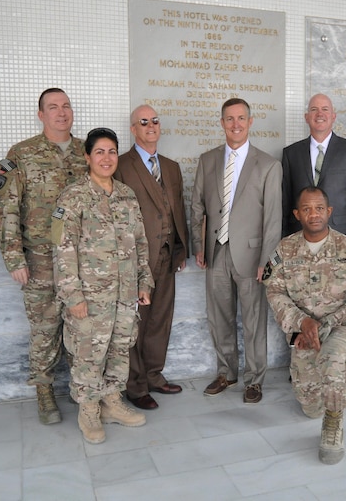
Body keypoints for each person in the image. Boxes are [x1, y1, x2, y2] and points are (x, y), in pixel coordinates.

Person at [52, 127, 154, 444]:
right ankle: (89, 410)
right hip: (89, 296)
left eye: (111, 152)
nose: (106, 158)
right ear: (87, 156)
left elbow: (140, 242)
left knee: (119, 348)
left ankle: (111, 402)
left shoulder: (126, 195)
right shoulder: (71, 198)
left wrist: (143, 281)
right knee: (88, 354)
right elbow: (61, 248)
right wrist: (73, 297)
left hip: (124, 294)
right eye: (99, 152)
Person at [0, 88, 88, 425]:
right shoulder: (21, 154)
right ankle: (45, 392)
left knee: (82, 329)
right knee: (45, 330)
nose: (61, 113)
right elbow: (7, 210)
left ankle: (85, 392)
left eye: (66, 106)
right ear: (41, 114)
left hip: (82, 263)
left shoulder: (86, 153)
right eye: (53, 107)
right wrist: (14, 258)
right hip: (40, 261)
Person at [264, 186, 346, 464]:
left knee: (334, 360)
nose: (313, 214)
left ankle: (333, 424)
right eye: (306, 209)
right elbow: (274, 291)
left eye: (318, 208)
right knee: (310, 406)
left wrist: (326, 323)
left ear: (328, 212)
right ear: (297, 214)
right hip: (302, 329)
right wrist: (301, 323)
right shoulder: (285, 249)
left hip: (344, 326)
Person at [190, 97, 283, 404]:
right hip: (216, 251)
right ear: (222, 123)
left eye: (241, 118)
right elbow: (197, 206)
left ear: (250, 121)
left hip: (252, 256)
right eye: (229, 119)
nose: (236, 124)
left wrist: (266, 262)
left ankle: (254, 380)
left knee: (254, 320)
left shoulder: (268, 165)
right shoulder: (208, 160)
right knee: (219, 317)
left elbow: (272, 220)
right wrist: (198, 246)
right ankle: (226, 372)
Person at [114, 105, 189, 410]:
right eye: (143, 122)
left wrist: (182, 247)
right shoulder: (120, 165)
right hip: (136, 259)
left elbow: (178, 209)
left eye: (155, 121)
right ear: (133, 129)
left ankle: (154, 375)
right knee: (136, 323)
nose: (150, 126)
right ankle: (135, 385)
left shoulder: (171, 167)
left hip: (167, 256)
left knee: (160, 319)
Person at [282, 93, 346, 250]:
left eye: (325, 109)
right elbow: (285, 204)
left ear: (333, 116)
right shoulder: (291, 153)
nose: (320, 114)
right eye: (314, 109)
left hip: (341, 239)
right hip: (300, 240)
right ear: (306, 117)